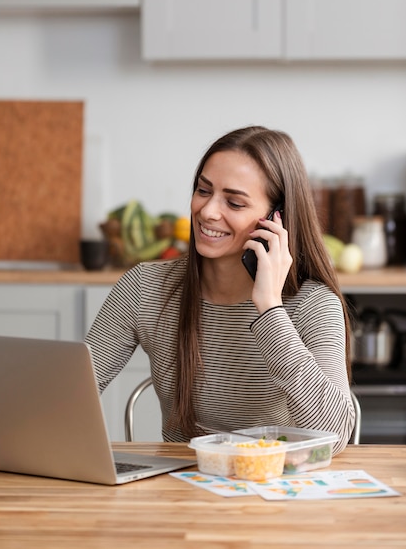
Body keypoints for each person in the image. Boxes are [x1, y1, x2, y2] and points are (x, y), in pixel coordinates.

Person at [86, 125, 355, 452]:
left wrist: (270, 308)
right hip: (179, 491)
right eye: (203, 190)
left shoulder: (313, 305)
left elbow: (336, 436)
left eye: (235, 203)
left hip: (275, 492)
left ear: (276, 219)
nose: (209, 211)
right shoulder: (145, 286)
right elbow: (72, 392)